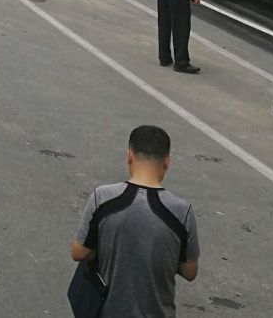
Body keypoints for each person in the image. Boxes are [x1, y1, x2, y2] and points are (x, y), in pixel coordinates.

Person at [70, 126, 200, 318]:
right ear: (167, 162)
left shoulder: (103, 198)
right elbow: (190, 271)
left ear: (129, 156)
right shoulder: (182, 211)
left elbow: (78, 252)